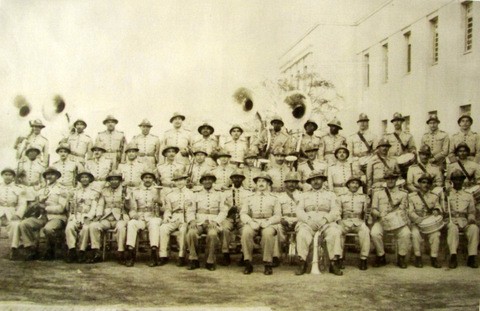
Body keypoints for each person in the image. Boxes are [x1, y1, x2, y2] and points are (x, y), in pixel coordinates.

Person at [295, 170, 343, 276]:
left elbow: (336, 210)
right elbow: (299, 211)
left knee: (334, 232)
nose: (315, 182)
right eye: (312, 180)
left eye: (318, 179)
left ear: (323, 180)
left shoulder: (331, 195)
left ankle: (333, 262)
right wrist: (308, 220)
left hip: (326, 222)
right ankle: (302, 262)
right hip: (308, 222)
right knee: (302, 233)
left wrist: (325, 219)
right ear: (310, 182)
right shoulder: (303, 195)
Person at [20, 167, 68, 261]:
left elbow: (61, 208)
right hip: (42, 217)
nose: (49, 176)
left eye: (52, 174)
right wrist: (37, 204)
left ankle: (51, 249)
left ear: (57, 176)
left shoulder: (62, 190)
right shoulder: (41, 190)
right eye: (47, 174)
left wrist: (45, 208)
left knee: (48, 229)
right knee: (25, 224)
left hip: (56, 217)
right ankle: (31, 249)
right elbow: (36, 207)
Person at [240, 172, 281, 275]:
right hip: (253, 221)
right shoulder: (249, 197)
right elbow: (243, 214)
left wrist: (268, 222)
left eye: (264, 181)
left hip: (268, 222)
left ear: (269, 184)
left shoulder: (274, 198)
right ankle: (248, 262)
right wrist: (250, 222)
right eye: (259, 181)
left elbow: (278, 215)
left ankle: (267, 263)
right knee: (246, 232)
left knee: (268, 234)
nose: (261, 183)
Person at [186, 172, 228, 271]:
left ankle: (210, 260)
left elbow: (223, 211)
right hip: (199, 222)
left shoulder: (220, 194)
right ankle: (193, 259)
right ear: (201, 182)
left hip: (213, 222)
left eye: (210, 179)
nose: (207, 181)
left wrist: (216, 222)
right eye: (205, 179)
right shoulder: (195, 194)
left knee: (213, 234)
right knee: (191, 233)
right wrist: (192, 220)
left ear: (213, 181)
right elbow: (190, 210)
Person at [370, 171, 411, 269]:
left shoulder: (403, 194)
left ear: (396, 180)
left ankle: (401, 257)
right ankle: (381, 256)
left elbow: (403, 209)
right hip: (382, 220)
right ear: (385, 180)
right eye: (388, 179)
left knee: (406, 233)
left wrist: (394, 216)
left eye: (393, 179)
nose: (390, 181)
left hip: (397, 221)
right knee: (374, 233)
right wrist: (379, 214)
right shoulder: (378, 193)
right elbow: (373, 209)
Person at [89, 171, 128, 264]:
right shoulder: (104, 190)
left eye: (116, 179)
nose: (114, 181)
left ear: (120, 181)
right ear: (109, 181)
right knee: (94, 226)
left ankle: (120, 252)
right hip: (106, 218)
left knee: (121, 228)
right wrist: (98, 215)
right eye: (112, 179)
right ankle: (97, 252)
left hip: (120, 217)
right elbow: (101, 205)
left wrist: (126, 200)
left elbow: (130, 206)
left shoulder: (125, 190)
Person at [125, 171, 162, 267]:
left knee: (154, 224)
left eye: (150, 177)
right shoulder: (136, 191)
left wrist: (159, 202)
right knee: (131, 224)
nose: (148, 179)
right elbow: (132, 208)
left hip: (153, 216)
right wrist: (134, 215)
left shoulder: (158, 190)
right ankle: (130, 252)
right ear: (142, 179)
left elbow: (164, 207)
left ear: (153, 179)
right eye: (146, 177)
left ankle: (153, 253)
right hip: (140, 216)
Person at [158, 170, 194, 266]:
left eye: (181, 180)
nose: (179, 182)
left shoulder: (192, 194)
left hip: (185, 217)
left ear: (186, 180)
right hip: (174, 217)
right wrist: (166, 217)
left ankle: (181, 256)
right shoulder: (170, 195)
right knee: (163, 228)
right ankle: (163, 255)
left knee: (183, 231)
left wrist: (190, 220)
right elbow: (168, 209)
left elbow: (192, 209)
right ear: (174, 182)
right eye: (177, 180)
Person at [407, 174, 442, 268]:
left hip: (429, 224)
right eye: (423, 182)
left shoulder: (434, 196)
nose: (426, 185)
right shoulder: (411, 196)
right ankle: (418, 257)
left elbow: (438, 206)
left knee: (436, 235)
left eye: (428, 183)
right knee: (415, 234)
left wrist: (437, 210)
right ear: (419, 183)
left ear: (431, 185)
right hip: (417, 223)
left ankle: (434, 258)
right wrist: (418, 219)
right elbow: (410, 211)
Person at [445, 170, 478, 268]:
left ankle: (472, 257)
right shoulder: (447, 194)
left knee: (474, 229)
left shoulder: (468, 195)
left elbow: (471, 211)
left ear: (463, 181)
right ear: (452, 181)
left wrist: (471, 219)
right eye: (455, 180)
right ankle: (453, 256)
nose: (458, 182)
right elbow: (444, 210)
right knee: (452, 228)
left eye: (460, 180)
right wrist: (449, 217)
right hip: (452, 220)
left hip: (465, 220)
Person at [65, 170, 100, 263]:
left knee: (85, 229)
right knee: (69, 227)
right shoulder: (76, 192)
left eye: (86, 177)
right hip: (76, 216)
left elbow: (94, 208)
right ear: (79, 180)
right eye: (82, 177)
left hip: (87, 217)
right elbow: (72, 208)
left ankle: (81, 251)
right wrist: (74, 218)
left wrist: (88, 218)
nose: (84, 179)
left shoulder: (94, 192)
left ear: (90, 179)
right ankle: (72, 250)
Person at [338, 175, 371, 270]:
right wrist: (339, 222)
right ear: (348, 185)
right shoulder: (341, 197)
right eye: (352, 183)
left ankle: (363, 259)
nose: (355, 185)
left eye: (357, 183)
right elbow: (338, 211)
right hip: (344, 221)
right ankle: (339, 258)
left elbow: (366, 212)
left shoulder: (364, 197)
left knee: (365, 231)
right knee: (338, 232)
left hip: (359, 222)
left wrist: (366, 221)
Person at [221, 169, 251, 266]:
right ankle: (225, 254)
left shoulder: (248, 192)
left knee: (246, 231)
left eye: (239, 177)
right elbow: (222, 206)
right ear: (231, 179)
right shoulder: (226, 192)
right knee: (224, 229)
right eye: (234, 177)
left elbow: (250, 207)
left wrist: (241, 210)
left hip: (242, 218)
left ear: (242, 179)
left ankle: (244, 255)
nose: (237, 179)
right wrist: (230, 210)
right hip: (229, 217)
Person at [272, 172, 301, 267]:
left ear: (297, 184)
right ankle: (276, 256)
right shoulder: (279, 197)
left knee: (303, 230)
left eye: (294, 182)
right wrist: (281, 220)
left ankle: (301, 256)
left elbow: (305, 211)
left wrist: (299, 220)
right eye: (289, 182)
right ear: (285, 183)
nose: (291, 184)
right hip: (284, 219)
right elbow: (277, 212)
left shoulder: (303, 195)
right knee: (277, 228)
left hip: (299, 219)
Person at [0, 168, 27, 260]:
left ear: (13, 177)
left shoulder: (19, 188)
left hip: (12, 211)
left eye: (10, 175)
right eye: (5, 174)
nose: (8, 177)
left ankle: (14, 248)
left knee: (15, 225)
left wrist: (18, 214)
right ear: (2, 176)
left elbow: (22, 203)